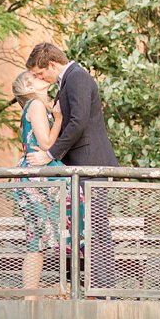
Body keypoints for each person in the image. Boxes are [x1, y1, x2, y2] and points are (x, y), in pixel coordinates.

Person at [26, 42, 119, 287]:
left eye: (41, 72)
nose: (40, 78)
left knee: (97, 226)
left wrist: (50, 154)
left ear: (53, 64)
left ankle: (105, 289)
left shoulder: (77, 77)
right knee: (90, 227)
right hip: (81, 167)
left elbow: (77, 122)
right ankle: (95, 286)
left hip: (92, 165)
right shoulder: (68, 81)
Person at [10, 69, 64, 294]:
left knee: (37, 240)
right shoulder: (36, 106)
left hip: (34, 178)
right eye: (35, 77)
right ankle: (31, 296)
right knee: (39, 239)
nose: (41, 77)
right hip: (37, 180)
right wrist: (59, 118)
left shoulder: (31, 108)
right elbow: (46, 144)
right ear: (28, 87)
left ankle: (32, 295)